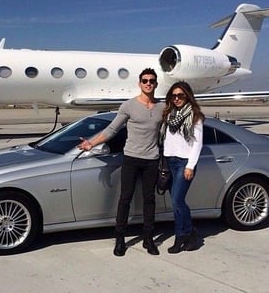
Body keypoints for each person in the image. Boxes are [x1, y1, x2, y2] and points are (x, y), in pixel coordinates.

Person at [78, 68, 165, 256]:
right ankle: (120, 239)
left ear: (156, 84)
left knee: (149, 200)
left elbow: (170, 131)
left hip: (151, 160)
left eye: (151, 81)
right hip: (132, 158)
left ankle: (148, 239)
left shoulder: (162, 108)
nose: (148, 83)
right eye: (145, 81)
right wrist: (91, 143)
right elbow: (112, 130)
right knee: (125, 199)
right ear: (139, 83)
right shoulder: (128, 106)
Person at [160, 81, 205, 253]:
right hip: (170, 162)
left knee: (177, 201)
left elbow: (197, 144)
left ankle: (180, 237)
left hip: (184, 163)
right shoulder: (169, 114)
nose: (177, 98)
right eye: (174, 95)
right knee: (178, 202)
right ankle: (190, 233)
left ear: (187, 96)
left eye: (181, 95)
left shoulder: (194, 116)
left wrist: (190, 166)